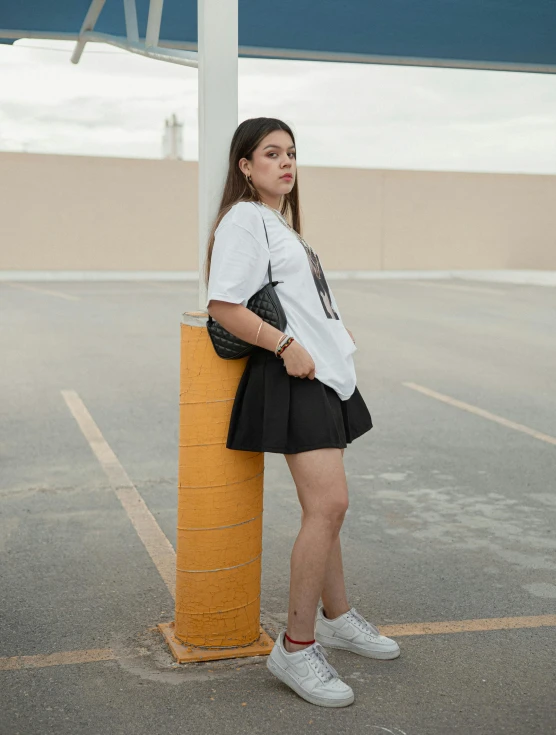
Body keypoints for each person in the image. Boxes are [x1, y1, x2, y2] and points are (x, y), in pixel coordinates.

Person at [205, 117, 399, 708]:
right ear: (245, 165)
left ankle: (336, 617)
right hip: (294, 374)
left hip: (323, 373)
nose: (286, 163)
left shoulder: (279, 223)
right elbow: (223, 306)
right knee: (331, 505)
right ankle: (296, 647)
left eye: (291, 153)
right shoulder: (244, 220)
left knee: (326, 507)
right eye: (271, 154)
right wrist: (288, 347)